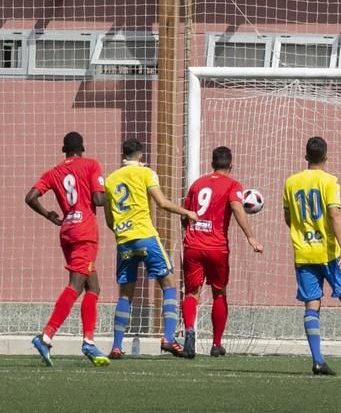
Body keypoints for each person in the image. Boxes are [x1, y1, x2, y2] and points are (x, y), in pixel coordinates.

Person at [283, 137, 341, 376]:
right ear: (326, 157)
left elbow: (288, 218)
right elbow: (334, 214)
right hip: (329, 252)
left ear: (306, 157)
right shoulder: (330, 181)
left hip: (303, 252)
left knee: (312, 305)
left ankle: (317, 360)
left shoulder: (291, 182)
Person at [103, 138, 198, 359]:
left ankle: (116, 346)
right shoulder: (146, 173)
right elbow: (162, 203)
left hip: (123, 240)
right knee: (169, 283)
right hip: (145, 236)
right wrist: (187, 212)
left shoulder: (110, 180)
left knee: (125, 294)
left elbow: (109, 220)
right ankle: (168, 338)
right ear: (141, 155)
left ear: (123, 155)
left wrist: (123, 230)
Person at [25, 132, 110, 367]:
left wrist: (49, 214)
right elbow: (99, 200)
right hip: (85, 233)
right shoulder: (91, 164)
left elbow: (30, 197)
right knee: (75, 284)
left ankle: (89, 341)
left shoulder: (54, 172)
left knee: (93, 286)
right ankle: (46, 336)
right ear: (82, 149)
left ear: (65, 151)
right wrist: (106, 188)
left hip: (68, 230)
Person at [180, 146, 264, 358]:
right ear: (231, 164)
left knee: (192, 293)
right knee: (219, 292)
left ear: (212, 164)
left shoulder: (197, 184)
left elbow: (185, 214)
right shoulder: (233, 185)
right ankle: (216, 344)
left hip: (193, 244)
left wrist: (189, 231)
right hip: (217, 247)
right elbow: (237, 208)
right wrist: (250, 236)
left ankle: (189, 330)